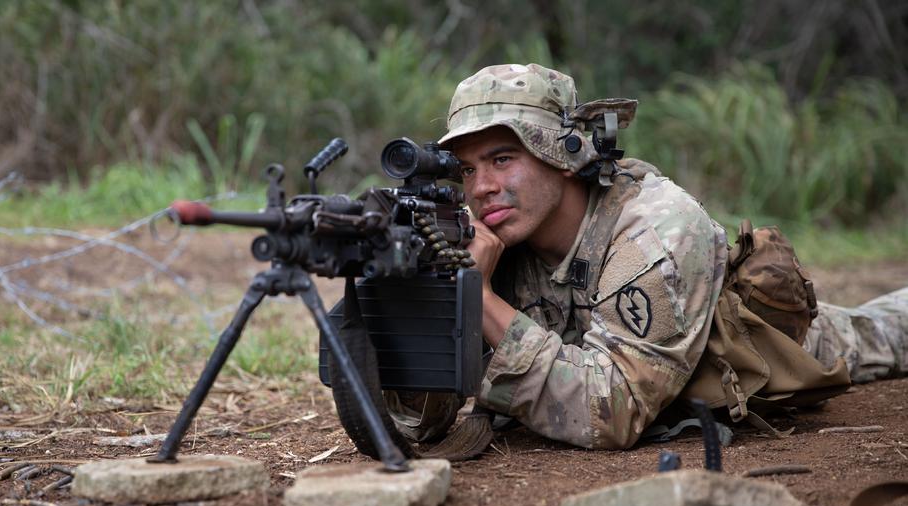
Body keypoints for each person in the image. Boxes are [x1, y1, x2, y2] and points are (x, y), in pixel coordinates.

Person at [387, 63, 907, 450]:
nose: (483, 187)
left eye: (502, 159)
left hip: (766, 353)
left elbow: (612, 412)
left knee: (887, 332)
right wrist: (424, 304)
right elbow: (418, 423)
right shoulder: (486, 238)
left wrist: (478, 301)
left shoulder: (657, 229)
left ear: (562, 155)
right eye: (468, 169)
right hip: (618, 364)